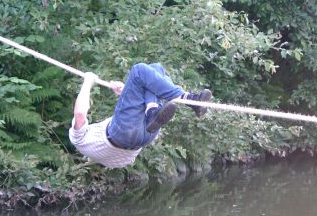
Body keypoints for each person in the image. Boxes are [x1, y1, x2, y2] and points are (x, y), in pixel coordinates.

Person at [68, 63, 212, 168]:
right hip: (123, 134)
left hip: (145, 137)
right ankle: (190, 99)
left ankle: (152, 111)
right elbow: (80, 113)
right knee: (139, 71)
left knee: (155, 70)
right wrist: (88, 82)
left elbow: (130, 118)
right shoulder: (78, 139)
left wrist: (125, 92)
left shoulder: (102, 154)